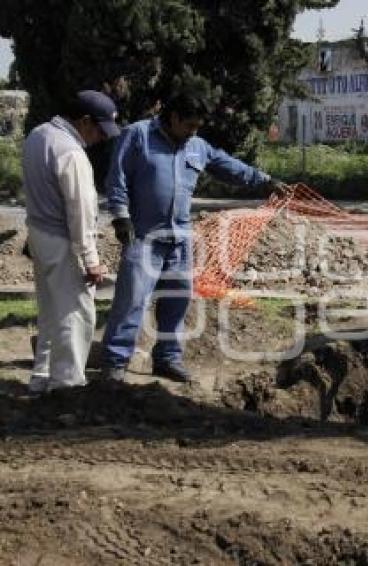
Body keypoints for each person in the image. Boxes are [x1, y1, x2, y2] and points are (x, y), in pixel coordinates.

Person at [100, 91, 283, 382]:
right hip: (143, 237)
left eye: (197, 127)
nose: (192, 133)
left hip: (180, 239)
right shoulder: (138, 135)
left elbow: (226, 165)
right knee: (132, 300)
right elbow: (117, 178)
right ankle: (114, 362)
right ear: (173, 118)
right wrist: (120, 216)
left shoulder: (196, 146)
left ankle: (167, 358)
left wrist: (264, 181)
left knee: (178, 299)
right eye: (189, 126)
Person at [22, 90, 120, 393]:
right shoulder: (72, 154)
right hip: (64, 241)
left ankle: (42, 378)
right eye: (100, 129)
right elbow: (80, 212)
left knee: (51, 311)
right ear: (84, 121)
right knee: (76, 314)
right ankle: (67, 385)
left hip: (40, 233)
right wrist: (90, 260)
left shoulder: (38, 135)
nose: (101, 137)